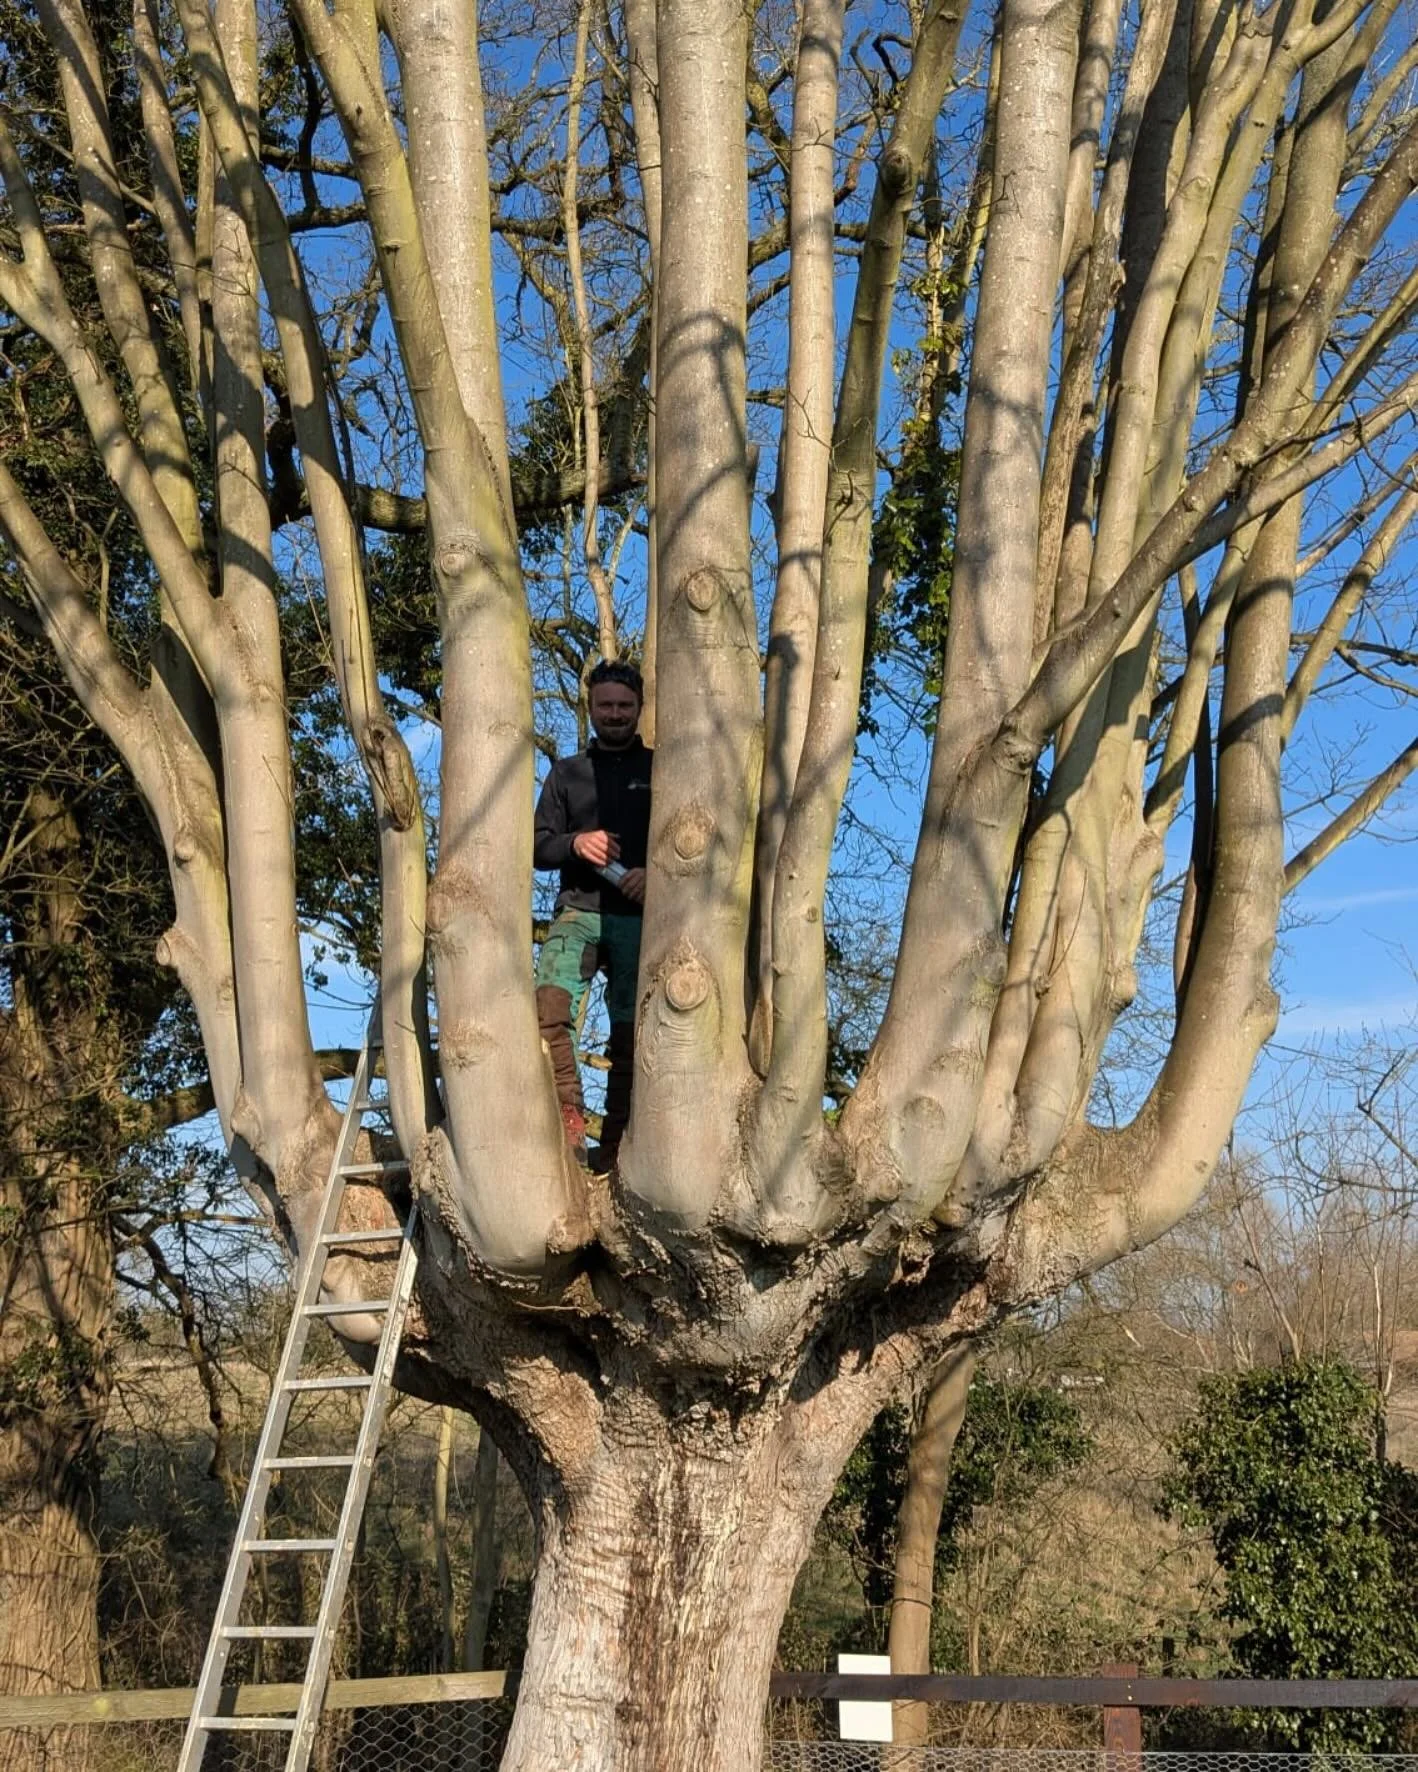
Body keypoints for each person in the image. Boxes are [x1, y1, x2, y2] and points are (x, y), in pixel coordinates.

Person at [533, 660, 652, 1170]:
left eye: (625, 706)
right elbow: (537, 848)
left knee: (633, 1033)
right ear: (591, 708)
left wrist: (656, 876)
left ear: (640, 708)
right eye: (606, 705)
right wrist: (577, 843)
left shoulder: (662, 770)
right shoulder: (566, 773)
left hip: (641, 920)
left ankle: (620, 1144)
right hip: (578, 912)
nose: (616, 714)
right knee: (548, 1016)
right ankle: (569, 1128)